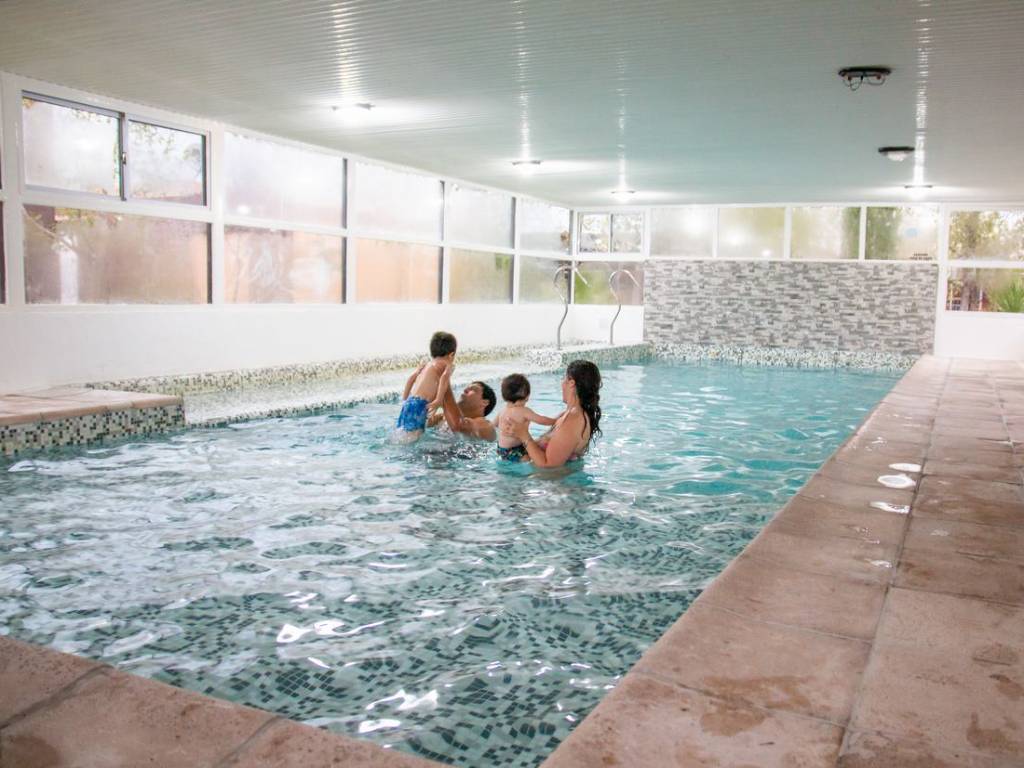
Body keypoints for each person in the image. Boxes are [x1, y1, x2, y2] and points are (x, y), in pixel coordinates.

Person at [502, 360, 601, 468]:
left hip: (553, 479)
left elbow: (549, 466)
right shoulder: (568, 415)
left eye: (564, 378)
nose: (562, 383)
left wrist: (523, 435)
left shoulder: (573, 420)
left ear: (571, 383)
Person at [395, 331, 456, 439]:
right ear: (451, 354)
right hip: (420, 404)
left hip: (409, 402)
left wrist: (405, 400)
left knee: (401, 434)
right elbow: (444, 378)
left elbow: (411, 379)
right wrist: (438, 400)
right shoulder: (446, 364)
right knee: (413, 438)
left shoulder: (427, 365)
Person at [494, 373, 559, 461]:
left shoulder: (502, 411)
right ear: (527, 396)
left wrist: (503, 431)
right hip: (514, 450)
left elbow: (493, 426)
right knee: (532, 459)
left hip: (501, 449)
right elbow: (541, 420)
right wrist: (556, 421)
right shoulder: (523, 411)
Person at [428, 378, 498, 441]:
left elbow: (458, 426)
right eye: (466, 388)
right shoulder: (442, 417)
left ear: (485, 402)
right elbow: (423, 423)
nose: (465, 390)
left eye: (473, 389)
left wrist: (445, 383)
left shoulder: (487, 427)